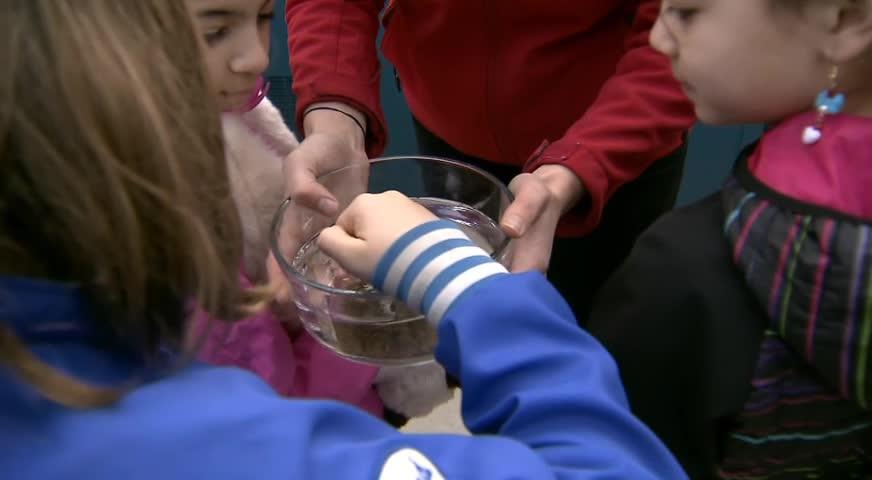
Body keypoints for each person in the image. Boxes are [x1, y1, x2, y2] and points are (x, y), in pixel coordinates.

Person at [0, 1, 689, 478]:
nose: (252, 59)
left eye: (263, 18)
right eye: (211, 31)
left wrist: (584, 162)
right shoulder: (229, 447)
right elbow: (613, 466)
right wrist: (477, 294)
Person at [586, 0, 872, 477]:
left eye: (687, 11)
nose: (657, 38)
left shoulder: (682, 274)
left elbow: (597, 455)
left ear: (844, 20)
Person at [281, 0, 696, 319]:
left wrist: (580, 166)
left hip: (616, 145)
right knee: (475, 315)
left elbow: (689, 31)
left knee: (611, 333)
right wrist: (336, 120)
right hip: (450, 133)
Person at [184, 0, 452, 422]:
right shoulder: (173, 236)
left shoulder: (239, 115)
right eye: (216, 31)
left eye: (263, 17)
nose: (259, 54)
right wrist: (353, 310)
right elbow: (281, 401)